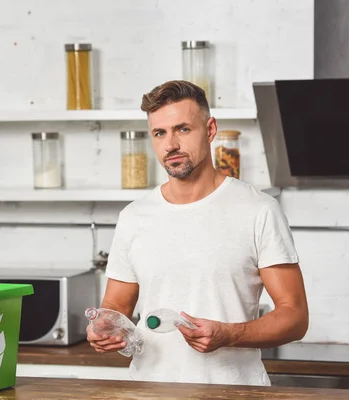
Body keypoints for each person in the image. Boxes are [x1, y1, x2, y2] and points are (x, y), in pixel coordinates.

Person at [86, 80, 308, 386]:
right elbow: (116, 307)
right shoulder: (134, 217)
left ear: (210, 129)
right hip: (151, 391)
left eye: (183, 129)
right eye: (159, 133)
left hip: (234, 392)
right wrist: (104, 327)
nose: (171, 144)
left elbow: (295, 317)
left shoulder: (258, 210)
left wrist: (230, 335)